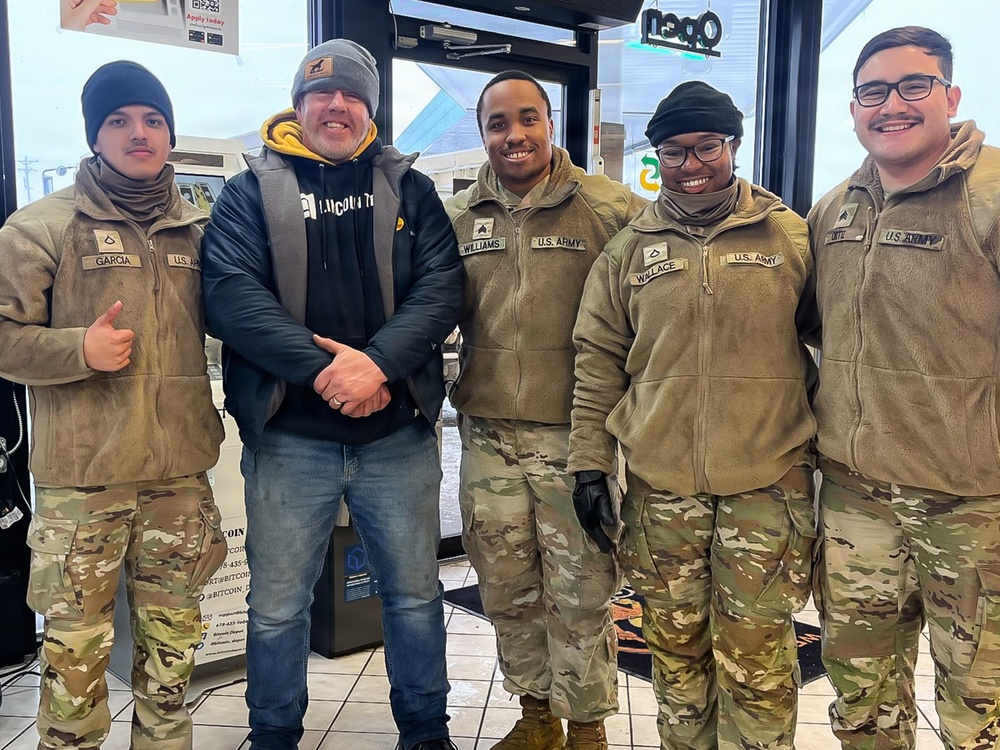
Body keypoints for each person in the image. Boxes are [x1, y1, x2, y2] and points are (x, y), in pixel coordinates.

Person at [200, 39, 463, 750]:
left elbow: (441, 289)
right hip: (289, 440)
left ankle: (425, 732)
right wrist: (328, 373)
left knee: (415, 597)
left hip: (397, 437)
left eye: (352, 94)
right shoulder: (249, 192)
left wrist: (376, 366)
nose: (337, 105)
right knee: (277, 607)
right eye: (321, 93)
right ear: (298, 105)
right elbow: (231, 298)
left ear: (370, 109)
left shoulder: (411, 189)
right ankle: (274, 734)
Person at [569, 81, 817, 750]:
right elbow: (598, 360)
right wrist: (589, 465)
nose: (692, 165)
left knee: (757, 660)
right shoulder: (628, 249)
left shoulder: (790, 236)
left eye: (708, 146)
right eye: (674, 152)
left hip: (766, 487)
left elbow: (839, 343)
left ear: (734, 145)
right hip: (662, 490)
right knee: (676, 656)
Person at [0, 61, 227, 749]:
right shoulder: (41, 228)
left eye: (153, 120)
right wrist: (78, 349)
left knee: (172, 656)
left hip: (177, 480)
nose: (139, 133)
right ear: (94, 136)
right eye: (119, 120)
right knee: (75, 661)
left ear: (169, 134)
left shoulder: (202, 230)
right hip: (83, 486)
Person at [807, 26, 1000, 750]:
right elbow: (816, 327)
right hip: (856, 497)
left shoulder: (991, 195)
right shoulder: (835, 210)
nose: (892, 105)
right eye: (873, 91)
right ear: (854, 109)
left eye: (914, 85)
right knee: (861, 693)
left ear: (951, 94)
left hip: (970, 503)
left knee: (978, 704)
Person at [445, 70, 646, 750]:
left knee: (581, 589)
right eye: (498, 123)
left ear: (551, 123)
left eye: (527, 118)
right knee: (506, 587)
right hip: (488, 437)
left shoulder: (609, 207)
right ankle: (536, 719)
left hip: (574, 437)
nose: (515, 135)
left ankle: (586, 728)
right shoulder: (461, 217)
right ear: (483, 133)